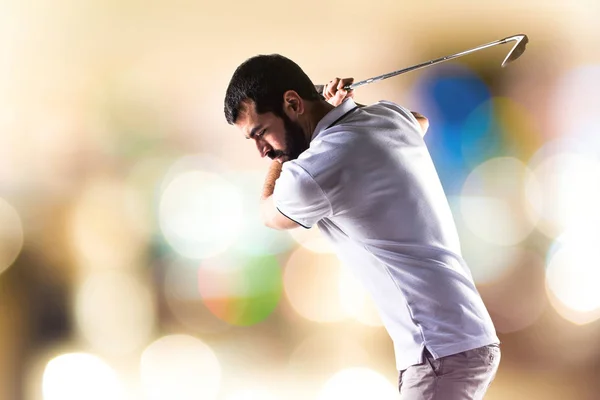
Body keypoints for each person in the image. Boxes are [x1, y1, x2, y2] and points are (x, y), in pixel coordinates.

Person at [224, 54, 501, 400]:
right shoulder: (389, 117)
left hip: (438, 351)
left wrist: (284, 158)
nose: (262, 150)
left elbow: (268, 214)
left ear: (293, 102)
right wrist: (337, 108)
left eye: (261, 133)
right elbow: (419, 121)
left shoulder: (315, 169)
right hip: (460, 342)